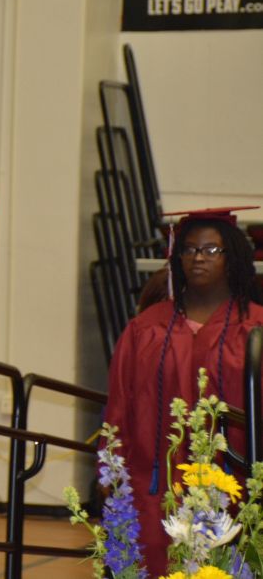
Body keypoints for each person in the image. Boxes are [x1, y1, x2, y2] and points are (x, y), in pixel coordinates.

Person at [106, 207, 263, 577]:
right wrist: (112, 469)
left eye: (211, 250)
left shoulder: (256, 327)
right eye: (189, 249)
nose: (198, 258)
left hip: (234, 481)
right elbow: (120, 405)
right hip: (154, 479)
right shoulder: (145, 328)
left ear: (232, 257)